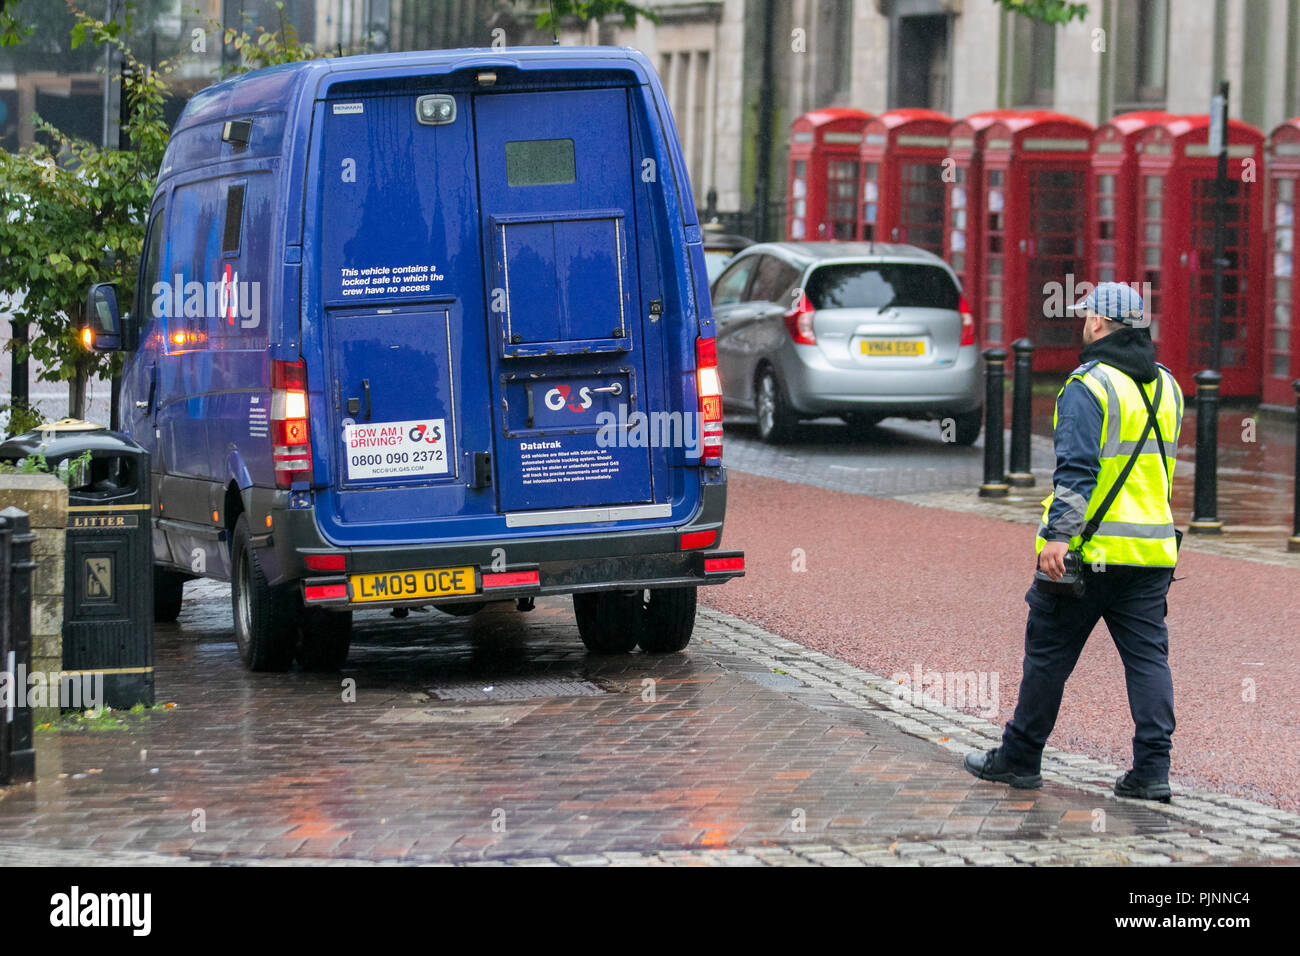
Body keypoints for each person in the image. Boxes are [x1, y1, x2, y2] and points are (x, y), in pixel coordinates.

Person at [964, 282, 1183, 802]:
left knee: (1047, 656)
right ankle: (1153, 772)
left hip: (1088, 554)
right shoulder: (1168, 386)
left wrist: (1058, 537)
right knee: (1148, 661)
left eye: (1087, 316)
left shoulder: (1090, 385)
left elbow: (1077, 471)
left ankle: (1019, 758)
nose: (1083, 322)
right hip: (1152, 552)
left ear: (1101, 325)